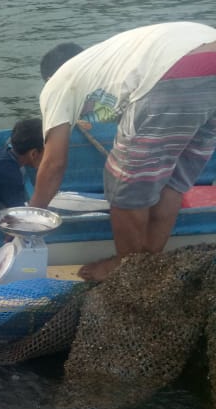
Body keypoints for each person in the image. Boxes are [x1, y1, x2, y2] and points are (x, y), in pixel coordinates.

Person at [30, 22, 216, 281]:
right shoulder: (102, 60)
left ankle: (127, 270)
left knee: (124, 181)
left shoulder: (58, 83)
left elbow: (54, 164)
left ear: (49, 79)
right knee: (173, 180)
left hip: (175, 69)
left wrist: (29, 219)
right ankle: (148, 261)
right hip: (205, 47)